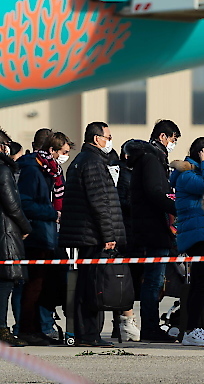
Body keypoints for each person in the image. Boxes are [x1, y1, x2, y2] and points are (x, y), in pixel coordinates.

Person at [59, 122, 126, 347]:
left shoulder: (81, 161)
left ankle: (85, 333)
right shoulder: (94, 163)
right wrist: (108, 235)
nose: (110, 140)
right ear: (97, 138)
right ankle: (89, 334)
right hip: (93, 235)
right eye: (108, 136)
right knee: (93, 288)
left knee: (85, 285)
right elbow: (100, 203)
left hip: (84, 233)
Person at [16, 132, 73, 346]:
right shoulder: (32, 169)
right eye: (64, 152)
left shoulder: (51, 170)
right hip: (36, 234)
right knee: (33, 285)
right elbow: (26, 203)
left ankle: (39, 328)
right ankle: (26, 329)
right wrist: (51, 213)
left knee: (45, 285)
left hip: (48, 234)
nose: (65, 157)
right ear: (52, 150)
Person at [128, 119, 180, 342]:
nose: (173, 144)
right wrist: (176, 207)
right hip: (152, 227)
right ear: (163, 137)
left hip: (151, 226)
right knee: (153, 281)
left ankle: (150, 324)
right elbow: (154, 193)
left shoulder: (153, 158)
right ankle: (150, 326)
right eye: (173, 140)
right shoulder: (151, 159)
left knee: (154, 280)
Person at [169, 137, 204, 347]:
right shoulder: (186, 176)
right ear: (203, 153)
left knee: (202, 283)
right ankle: (191, 329)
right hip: (197, 236)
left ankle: (192, 328)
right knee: (202, 284)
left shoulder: (196, 173)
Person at [0, 129, 32, 347]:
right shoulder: (3, 170)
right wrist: (25, 225)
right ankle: (2, 329)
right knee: (5, 282)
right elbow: (12, 204)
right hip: (5, 232)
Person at [108, 141, 141, 343]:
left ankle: (119, 324)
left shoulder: (128, 172)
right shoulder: (122, 173)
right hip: (124, 232)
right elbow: (120, 201)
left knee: (122, 280)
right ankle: (123, 322)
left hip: (128, 231)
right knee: (120, 280)